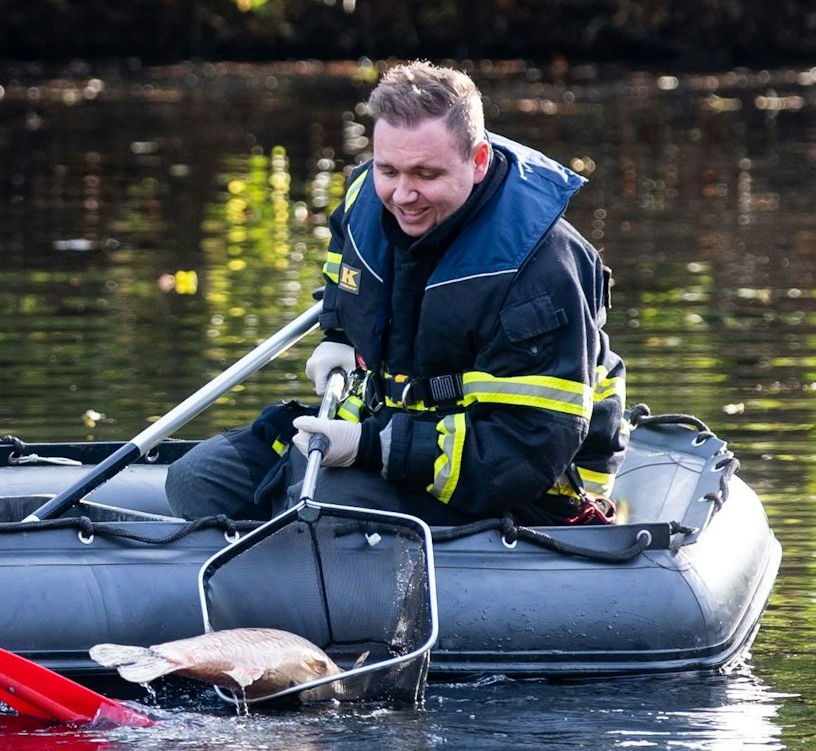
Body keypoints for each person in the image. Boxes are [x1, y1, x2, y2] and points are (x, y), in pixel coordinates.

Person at [164, 61, 627, 527]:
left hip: (518, 482)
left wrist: (369, 448)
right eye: (389, 168)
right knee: (195, 480)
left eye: (426, 174)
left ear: (478, 161)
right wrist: (338, 333)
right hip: (390, 427)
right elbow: (345, 267)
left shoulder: (542, 268)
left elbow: (523, 453)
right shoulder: (367, 193)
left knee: (322, 499)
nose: (403, 194)